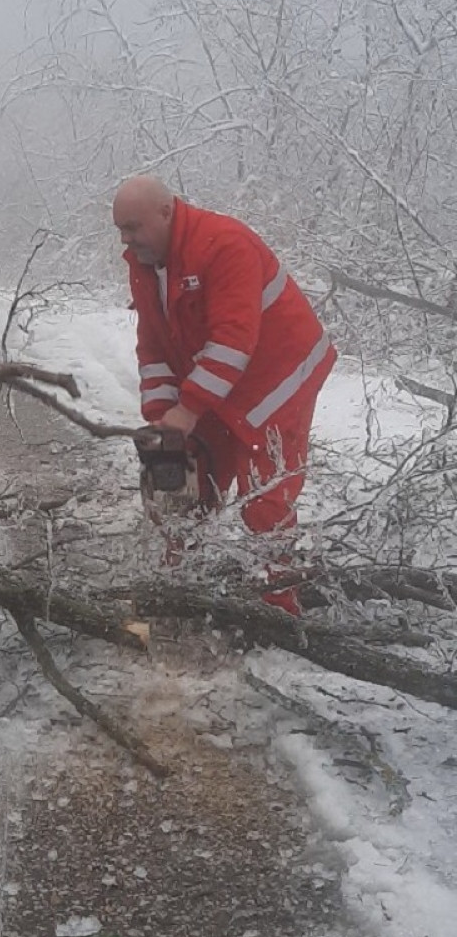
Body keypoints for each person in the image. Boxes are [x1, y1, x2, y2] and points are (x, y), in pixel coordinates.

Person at [112, 176, 336, 611]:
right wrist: (164, 418)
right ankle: (181, 585)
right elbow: (154, 345)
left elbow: (234, 340)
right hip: (220, 381)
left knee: (265, 499)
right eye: (120, 228)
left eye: (133, 227)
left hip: (276, 381)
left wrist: (189, 408)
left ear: (166, 211)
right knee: (189, 481)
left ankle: (279, 608)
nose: (126, 239)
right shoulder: (144, 262)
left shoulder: (223, 245)